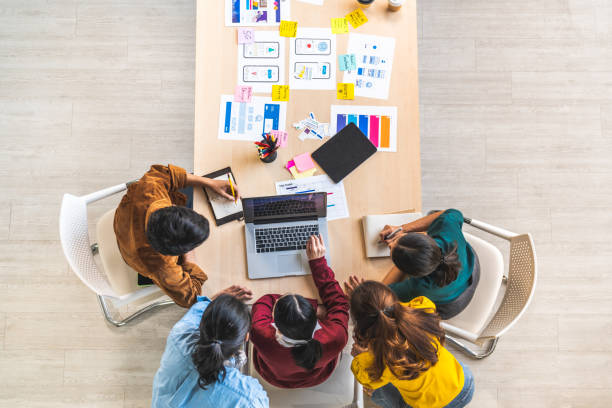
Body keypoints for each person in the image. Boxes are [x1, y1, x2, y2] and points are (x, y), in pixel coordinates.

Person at [114, 164, 239, 307]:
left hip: (126, 222)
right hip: (132, 251)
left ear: (173, 209)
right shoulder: (162, 268)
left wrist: (210, 182)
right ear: (179, 252)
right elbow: (192, 297)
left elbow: (169, 174)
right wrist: (189, 250)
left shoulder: (151, 188)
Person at [347, 281, 474, 408]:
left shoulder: (376, 362)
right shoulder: (422, 309)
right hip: (463, 385)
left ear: (360, 326)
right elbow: (393, 310)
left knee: (376, 390)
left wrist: (360, 355)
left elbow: (365, 379)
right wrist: (376, 300)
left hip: (430, 405)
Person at [250, 235, 350, 388]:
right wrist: (318, 263)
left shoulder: (260, 333)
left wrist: (282, 300)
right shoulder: (336, 337)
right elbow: (339, 302)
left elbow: (265, 301)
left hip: (274, 376)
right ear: (316, 318)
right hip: (318, 376)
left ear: (274, 322)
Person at [348, 209, 478, 319]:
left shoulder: (417, 288)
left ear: (412, 274)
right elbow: (451, 213)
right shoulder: (447, 229)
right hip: (471, 269)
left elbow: (382, 295)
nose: (391, 243)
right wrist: (402, 229)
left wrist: (362, 293)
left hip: (450, 305)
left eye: (391, 249)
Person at [152, 285, 267, 408]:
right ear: (246, 338)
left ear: (201, 324)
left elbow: (196, 313)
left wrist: (215, 302)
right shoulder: (249, 399)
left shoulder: (179, 335)